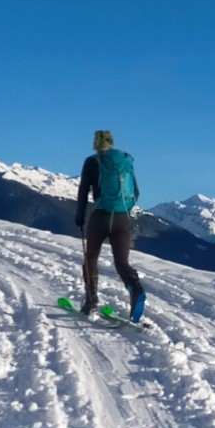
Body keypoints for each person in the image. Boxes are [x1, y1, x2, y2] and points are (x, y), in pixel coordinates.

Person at [76, 130, 147, 321]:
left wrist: (79, 216)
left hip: (100, 217)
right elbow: (136, 192)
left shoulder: (92, 162)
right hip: (123, 218)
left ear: (95, 144)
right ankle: (136, 290)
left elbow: (83, 191)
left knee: (91, 257)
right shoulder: (124, 162)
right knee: (122, 263)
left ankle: (91, 302)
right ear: (112, 143)